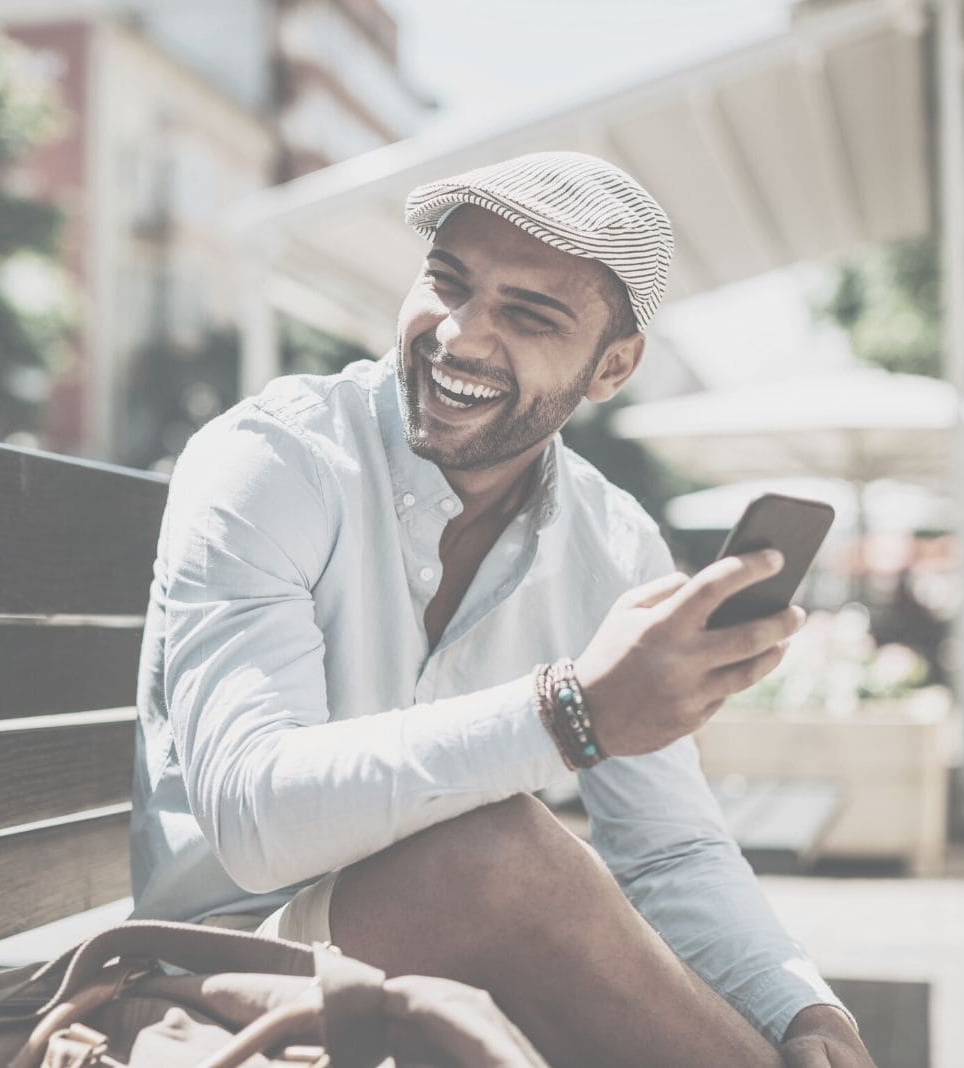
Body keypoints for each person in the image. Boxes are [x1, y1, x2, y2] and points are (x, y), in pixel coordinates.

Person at [131, 152, 874, 1067]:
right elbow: (255, 821)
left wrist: (800, 1008)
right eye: (447, 284)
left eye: (528, 315)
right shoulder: (271, 461)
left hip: (449, 991)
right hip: (216, 980)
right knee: (497, 858)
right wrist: (573, 713)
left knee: (538, 886)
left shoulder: (613, 541)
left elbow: (671, 850)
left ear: (613, 367)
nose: (461, 336)